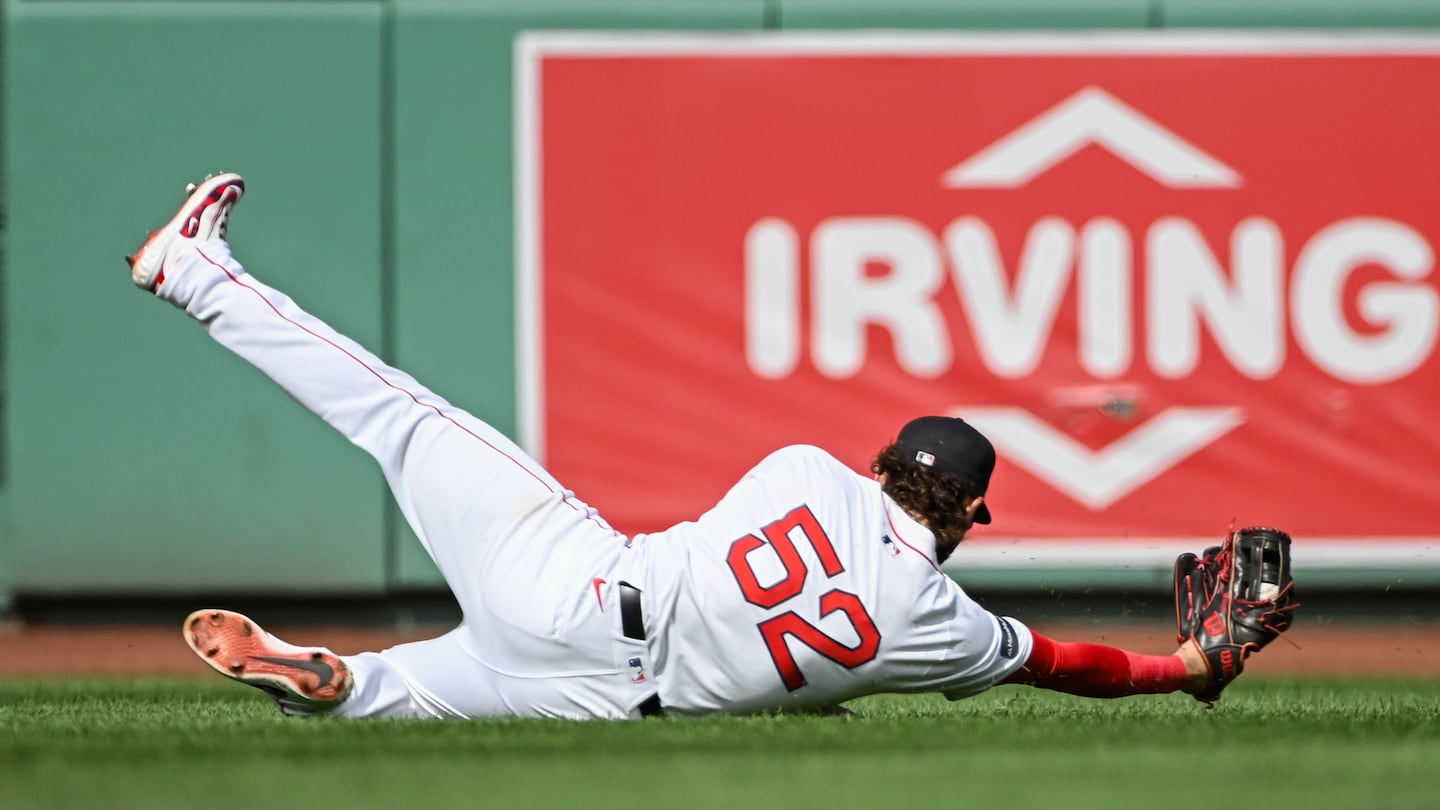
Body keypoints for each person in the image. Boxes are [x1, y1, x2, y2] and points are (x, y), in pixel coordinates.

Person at [129, 172, 1218, 720]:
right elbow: (1070, 665)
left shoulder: (805, 471)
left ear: (884, 465)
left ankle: (193, 272)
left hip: (578, 585)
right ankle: (340, 684)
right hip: (605, 702)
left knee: (401, 416)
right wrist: (1190, 668)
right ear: (972, 517)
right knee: (408, 693)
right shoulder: (933, 626)